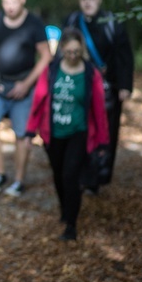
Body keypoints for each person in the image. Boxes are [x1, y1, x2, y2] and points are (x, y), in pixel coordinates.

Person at [25, 28, 110, 240]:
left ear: (82, 50)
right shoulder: (51, 70)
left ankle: (71, 225)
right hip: (53, 133)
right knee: (58, 175)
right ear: (62, 49)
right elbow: (39, 100)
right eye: (69, 51)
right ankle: (65, 209)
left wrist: (103, 141)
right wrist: (30, 131)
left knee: (70, 175)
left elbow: (99, 109)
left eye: (76, 52)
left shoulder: (91, 74)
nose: (73, 56)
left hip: (78, 132)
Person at [0, 0, 52, 196]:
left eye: (13, 2)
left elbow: (46, 55)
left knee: (22, 134)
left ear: (22, 0)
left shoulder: (34, 23)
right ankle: (0, 173)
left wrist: (27, 83)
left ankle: (18, 180)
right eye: (5, 2)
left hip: (24, 86)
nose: (9, 7)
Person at [64, 0, 134, 188]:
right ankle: (81, 174)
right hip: (79, 88)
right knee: (80, 131)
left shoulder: (112, 23)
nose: (87, 2)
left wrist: (125, 86)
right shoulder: (72, 21)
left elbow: (125, 57)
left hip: (107, 90)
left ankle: (101, 177)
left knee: (107, 133)